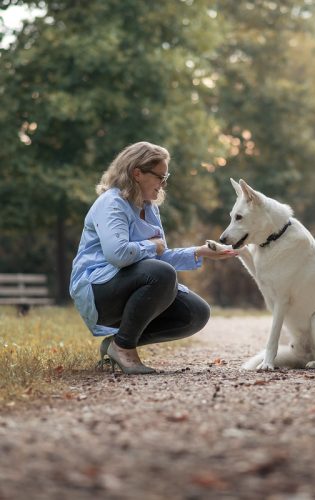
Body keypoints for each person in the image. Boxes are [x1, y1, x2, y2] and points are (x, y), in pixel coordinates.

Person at [70, 141, 236, 374]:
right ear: (137, 173)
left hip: (129, 282)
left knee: (196, 312)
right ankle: (125, 349)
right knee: (161, 274)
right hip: (98, 289)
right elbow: (118, 255)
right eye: (160, 177)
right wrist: (150, 246)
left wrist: (201, 252)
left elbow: (160, 256)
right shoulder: (112, 203)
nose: (163, 184)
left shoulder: (149, 208)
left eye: (165, 178)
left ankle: (118, 343)